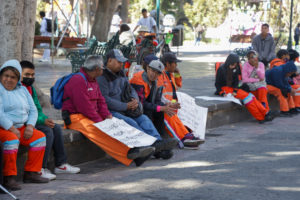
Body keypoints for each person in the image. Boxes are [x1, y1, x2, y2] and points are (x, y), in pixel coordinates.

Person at [62, 55, 155, 167]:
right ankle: (129, 153)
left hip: (91, 115)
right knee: (100, 131)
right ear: (96, 69)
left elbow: (101, 100)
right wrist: (100, 121)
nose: (103, 70)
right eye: (102, 68)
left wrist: (107, 115)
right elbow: (84, 106)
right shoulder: (78, 80)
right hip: (76, 117)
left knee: (116, 124)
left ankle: (137, 150)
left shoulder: (92, 79)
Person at [97, 50, 177, 157]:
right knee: (132, 122)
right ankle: (149, 147)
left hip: (127, 108)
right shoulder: (102, 77)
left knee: (143, 119)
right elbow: (105, 100)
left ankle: (158, 143)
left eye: (122, 62)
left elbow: (131, 89)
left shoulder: (120, 73)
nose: (122, 64)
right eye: (119, 62)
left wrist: (135, 100)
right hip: (112, 111)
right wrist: (125, 106)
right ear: (110, 61)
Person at [20, 61, 80, 181]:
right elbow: (22, 112)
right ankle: (40, 168)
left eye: (32, 75)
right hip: (23, 123)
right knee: (47, 132)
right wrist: (41, 121)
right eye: (27, 75)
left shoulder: (30, 88)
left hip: (32, 120)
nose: (30, 78)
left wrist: (44, 119)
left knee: (56, 127)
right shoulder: (18, 89)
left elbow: (36, 108)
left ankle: (61, 165)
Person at [0, 59, 49, 191]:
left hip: (21, 127)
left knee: (40, 138)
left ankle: (31, 173)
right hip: (3, 128)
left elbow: (33, 110)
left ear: (18, 79)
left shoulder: (22, 90)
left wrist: (30, 126)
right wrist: (11, 128)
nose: (9, 80)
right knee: (11, 141)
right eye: (6, 76)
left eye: (13, 77)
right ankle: (8, 177)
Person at [130, 56, 177, 159]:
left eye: (157, 73)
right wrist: (161, 108)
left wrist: (166, 106)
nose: (154, 74)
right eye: (152, 71)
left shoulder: (155, 82)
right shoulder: (139, 80)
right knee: (153, 113)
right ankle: (158, 145)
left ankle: (160, 143)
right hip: (136, 110)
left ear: (160, 75)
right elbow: (141, 103)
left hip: (145, 108)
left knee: (160, 112)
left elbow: (156, 101)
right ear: (147, 69)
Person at [157, 53, 204, 148]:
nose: (176, 65)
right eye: (174, 63)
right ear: (168, 64)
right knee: (171, 114)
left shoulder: (171, 74)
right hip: (165, 104)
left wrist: (177, 73)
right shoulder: (160, 75)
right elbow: (161, 95)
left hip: (173, 103)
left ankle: (188, 134)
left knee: (188, 108)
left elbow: (179, 84)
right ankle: (183, 139)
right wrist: (169, 104)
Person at [215, 53, 274, 123]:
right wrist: (222, 93)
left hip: (233, 89)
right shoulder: (221, 69)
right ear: (228, 63)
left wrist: (235, 90)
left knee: (251, 96)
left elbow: (236, 82)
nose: (234, 66)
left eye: (235, 65)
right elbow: (217, 84)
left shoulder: (236, 68)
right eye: (232, 65)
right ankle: (261, 116)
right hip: (225, 89)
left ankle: (265, 113)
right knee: (248, 98)